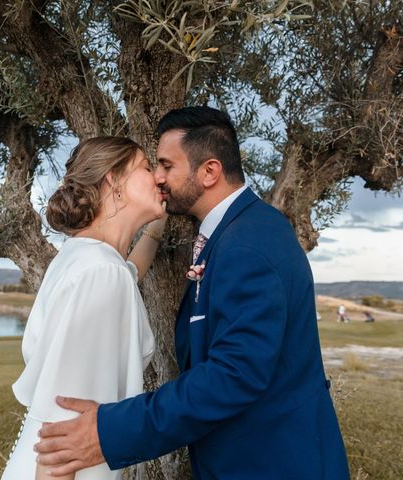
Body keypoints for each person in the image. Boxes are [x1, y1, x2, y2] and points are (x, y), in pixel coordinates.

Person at [35, 107, 349, 479]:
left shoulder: (248, 244)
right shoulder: (230, 234)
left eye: (167, 165)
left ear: (209, 171)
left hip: (271, 463)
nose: (158, 177)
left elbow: (235, 374)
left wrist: (110, 432)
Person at [1, 136, 167, 480]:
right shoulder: (102, 274)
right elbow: (62, 429)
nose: (159, 178)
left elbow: (129, 271)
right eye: (147, 168)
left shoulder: (86, 257)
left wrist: (155, 227)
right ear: (113, 181)